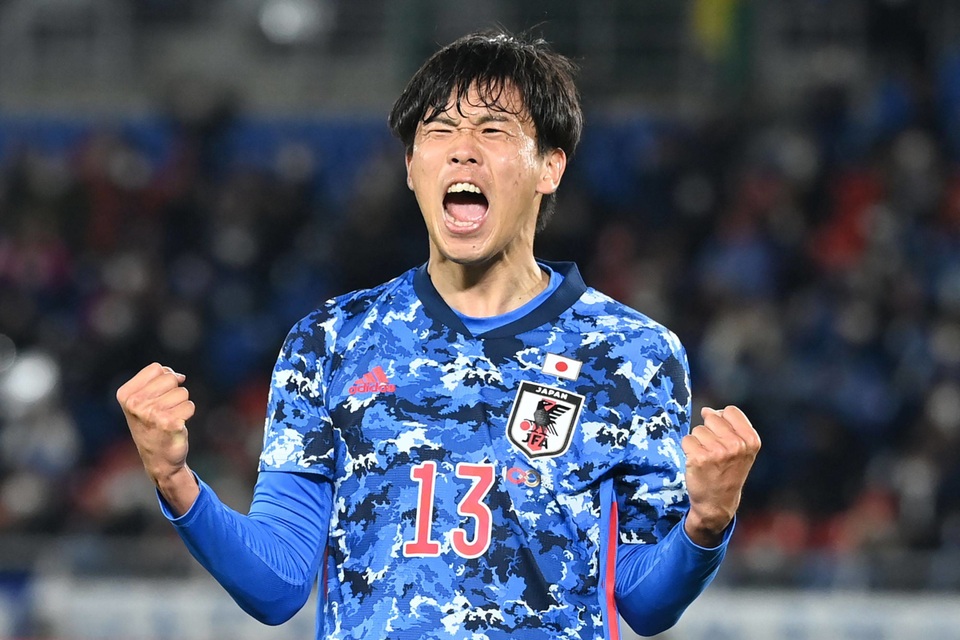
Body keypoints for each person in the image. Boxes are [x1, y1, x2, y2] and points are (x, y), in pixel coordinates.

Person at [116, 29, 760, 639]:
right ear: (410, 166)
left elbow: (643, 601)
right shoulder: (330, 342)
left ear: (550, 167)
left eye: (493, 130)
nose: (462, 149)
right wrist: (176, 481)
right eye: (440, 130)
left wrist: (706, 524)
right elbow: (278, 583)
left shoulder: (632, 354)